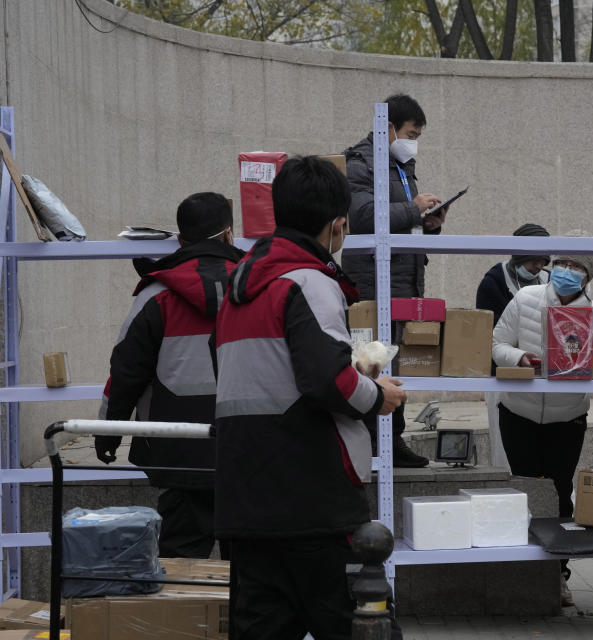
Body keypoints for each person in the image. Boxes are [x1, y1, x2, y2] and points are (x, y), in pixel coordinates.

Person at [213, 156, 406, 638]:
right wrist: (377, 393)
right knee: (359, 625)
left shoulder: (239, 289)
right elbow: (328, 382)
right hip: (313, 501)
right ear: (338, 225)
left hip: (246, 499)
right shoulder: (310, 282)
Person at [94, 192, 244, 559]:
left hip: (178, 452)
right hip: (250, 447)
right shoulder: (260, 286)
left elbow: (125, 371)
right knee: (251, 566)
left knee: (180, 564)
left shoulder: (157, 294)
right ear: (228, 235)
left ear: (180, 240)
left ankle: (184, 616)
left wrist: (108, 432)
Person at [492, 242, 593, 607]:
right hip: (518, 412)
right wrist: (520, 357)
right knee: (526, 489)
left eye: (577, 266)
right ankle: (523, 573)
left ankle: (558, 575)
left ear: (588, 276)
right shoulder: (525, 298)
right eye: (563, 262)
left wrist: (579, 366)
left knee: (560, 492)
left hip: (567, 417)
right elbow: (497, 343)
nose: (568, 270)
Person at [342, 93, 448, 468]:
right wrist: (414, 208)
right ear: (387, 128)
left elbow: (399, 220)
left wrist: (428, 222)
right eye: (410, 133)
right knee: (370, 362)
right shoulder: (361, 162)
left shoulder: (400, 164)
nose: (413, 141)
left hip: (401, 278)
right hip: (372, 280)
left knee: (390, 363)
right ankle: (374, 443)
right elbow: (364, 216)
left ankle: (391, 439)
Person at [476, 222, 551, 467]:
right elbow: (490, 336)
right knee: (505, 449)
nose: (538, 267)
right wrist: (517, 354)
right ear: (519, 256)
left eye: (543, 261)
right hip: (504, 374)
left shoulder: (549, 280)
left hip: (541, 374)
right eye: (533, 261)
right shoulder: (494, 282)